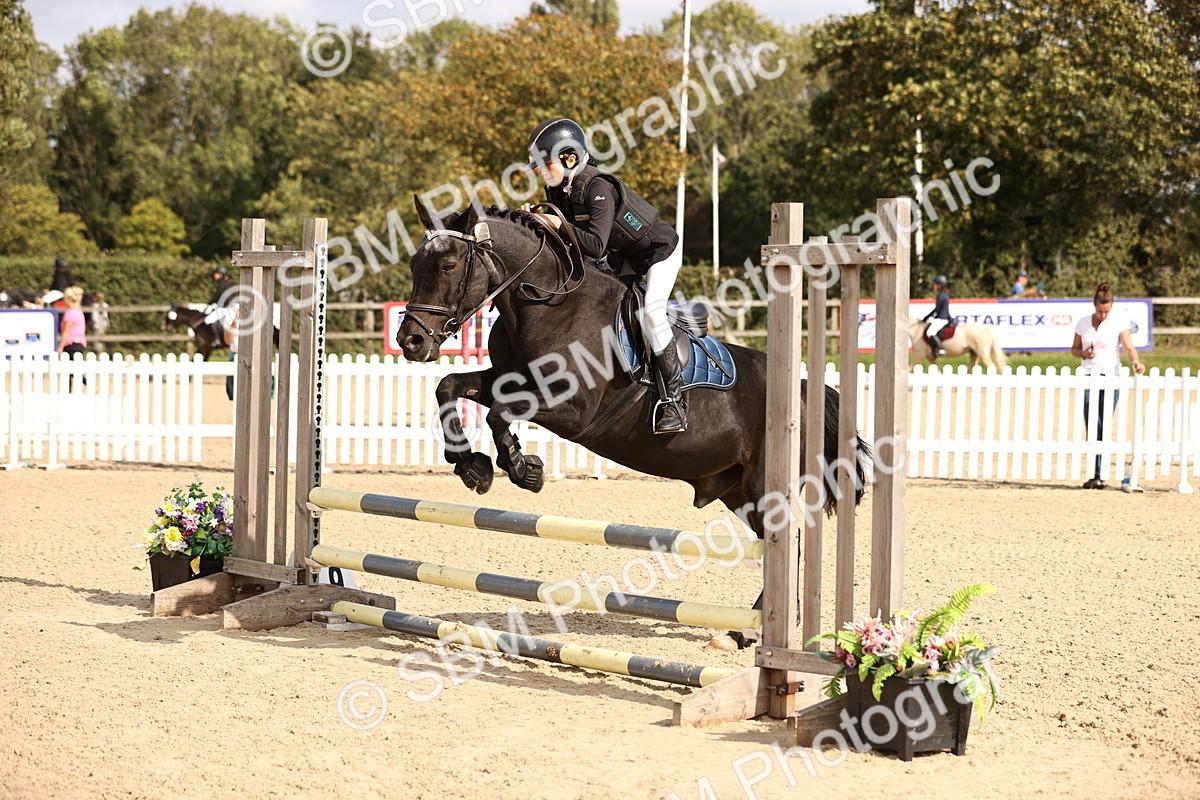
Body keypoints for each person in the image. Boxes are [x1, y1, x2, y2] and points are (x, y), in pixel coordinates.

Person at [523, 117, 686, 434]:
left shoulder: (598, 187)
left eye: (545, 164)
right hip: (624, 256)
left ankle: (674, 402)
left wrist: (555, 223)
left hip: (658, 253)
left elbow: (595, 246)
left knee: (652, 313)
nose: (541, 172)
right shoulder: (560, 191)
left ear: (569, 158)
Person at [1070, 282, 1144, 489]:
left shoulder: (1119, 321)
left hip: (1111, 376)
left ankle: (1099, 473)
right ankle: (1095, 473)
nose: (1103, 315)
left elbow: (1129, 348)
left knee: (1103, 422)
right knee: (1091, 422)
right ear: (1094, 306)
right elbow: (1074, 349)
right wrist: (1083, 353)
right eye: (1100, 311)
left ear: (1111, 307)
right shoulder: (1083, 323)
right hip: (1088, 374)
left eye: (1107, 311)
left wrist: (1135, 361)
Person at [56, 286, 88, 389]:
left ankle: (86, 385)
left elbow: (66, 332)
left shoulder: (69, 313)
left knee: (70, 370)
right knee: (74, 369)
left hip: (71, 344)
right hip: (80, 343)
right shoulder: (78, 311)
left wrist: (60, 346)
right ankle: (87, 385)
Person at [206, 265, 237, 347]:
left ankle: (216, 340)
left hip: (224, 308)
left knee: (208, 320)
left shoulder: (222, 284)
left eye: (216, 273)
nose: (214, 275)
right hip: (229, 307)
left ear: (221, 274)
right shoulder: (228, 282)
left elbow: (217, 296)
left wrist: (211, 302)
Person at [922, 275, 953, 357]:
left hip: (941, 318)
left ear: (940, 285)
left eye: (935, 284)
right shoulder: (945, 294)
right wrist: (950, 319)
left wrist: (927, 317)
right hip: (944, 318)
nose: (934, 286)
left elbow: (937, 309)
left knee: (930, 332)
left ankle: (941, 349)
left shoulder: (940, 295)